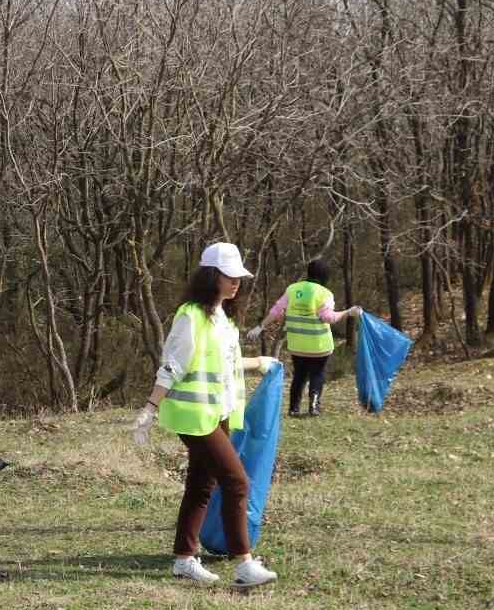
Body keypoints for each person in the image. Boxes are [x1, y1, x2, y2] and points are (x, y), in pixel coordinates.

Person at [132, 243, 280, 588]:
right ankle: (244, 564)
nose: (236, 283)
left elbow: (224, 365)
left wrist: (259, 363)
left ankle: (184, 559)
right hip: (193, 417)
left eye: (239, 278)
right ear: (212, 276)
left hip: (216, 413)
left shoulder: (221, 320)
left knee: (202, 484)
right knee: (237, 481)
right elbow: (172, 365)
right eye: (230, 276)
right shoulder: (191, 316)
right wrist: (150, 409)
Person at [246, 259, 363, 417]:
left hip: (297, 345)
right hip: (319, 345)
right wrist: (348, 312)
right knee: (317, 374)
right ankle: (313, 406)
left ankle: (293, 408)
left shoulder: (292, 289)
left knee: (299, 375)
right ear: (325, 276)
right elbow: (328, 317)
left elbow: (276, 311)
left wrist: (260, 327)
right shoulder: (325, 293)